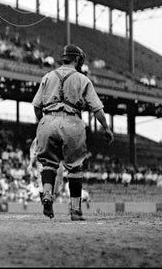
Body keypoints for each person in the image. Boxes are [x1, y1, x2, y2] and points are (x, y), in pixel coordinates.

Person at [32, 44, 114, 220]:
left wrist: (43, 123)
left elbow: (37, 105)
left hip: (48, 119)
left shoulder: (47, 76)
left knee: (49, 163)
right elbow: (97, 108)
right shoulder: (83, 79)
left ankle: (47, 194)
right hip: (72, 122)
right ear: (76, 59)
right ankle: (75, 210)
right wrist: (106, 128)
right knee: (75, 167)